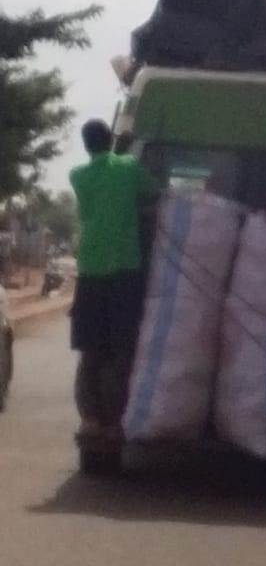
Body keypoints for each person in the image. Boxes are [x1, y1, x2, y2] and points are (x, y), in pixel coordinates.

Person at [69, 119, 158, 439]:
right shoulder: (130, 168)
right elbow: (152, 189)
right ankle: (114, 417)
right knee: (121, 347)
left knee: (91, 348)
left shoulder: (77, 176)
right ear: (110, 140)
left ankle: (90, 417)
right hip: (124, 271)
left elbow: (105, 172)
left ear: (85, 144)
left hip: (91, 271)